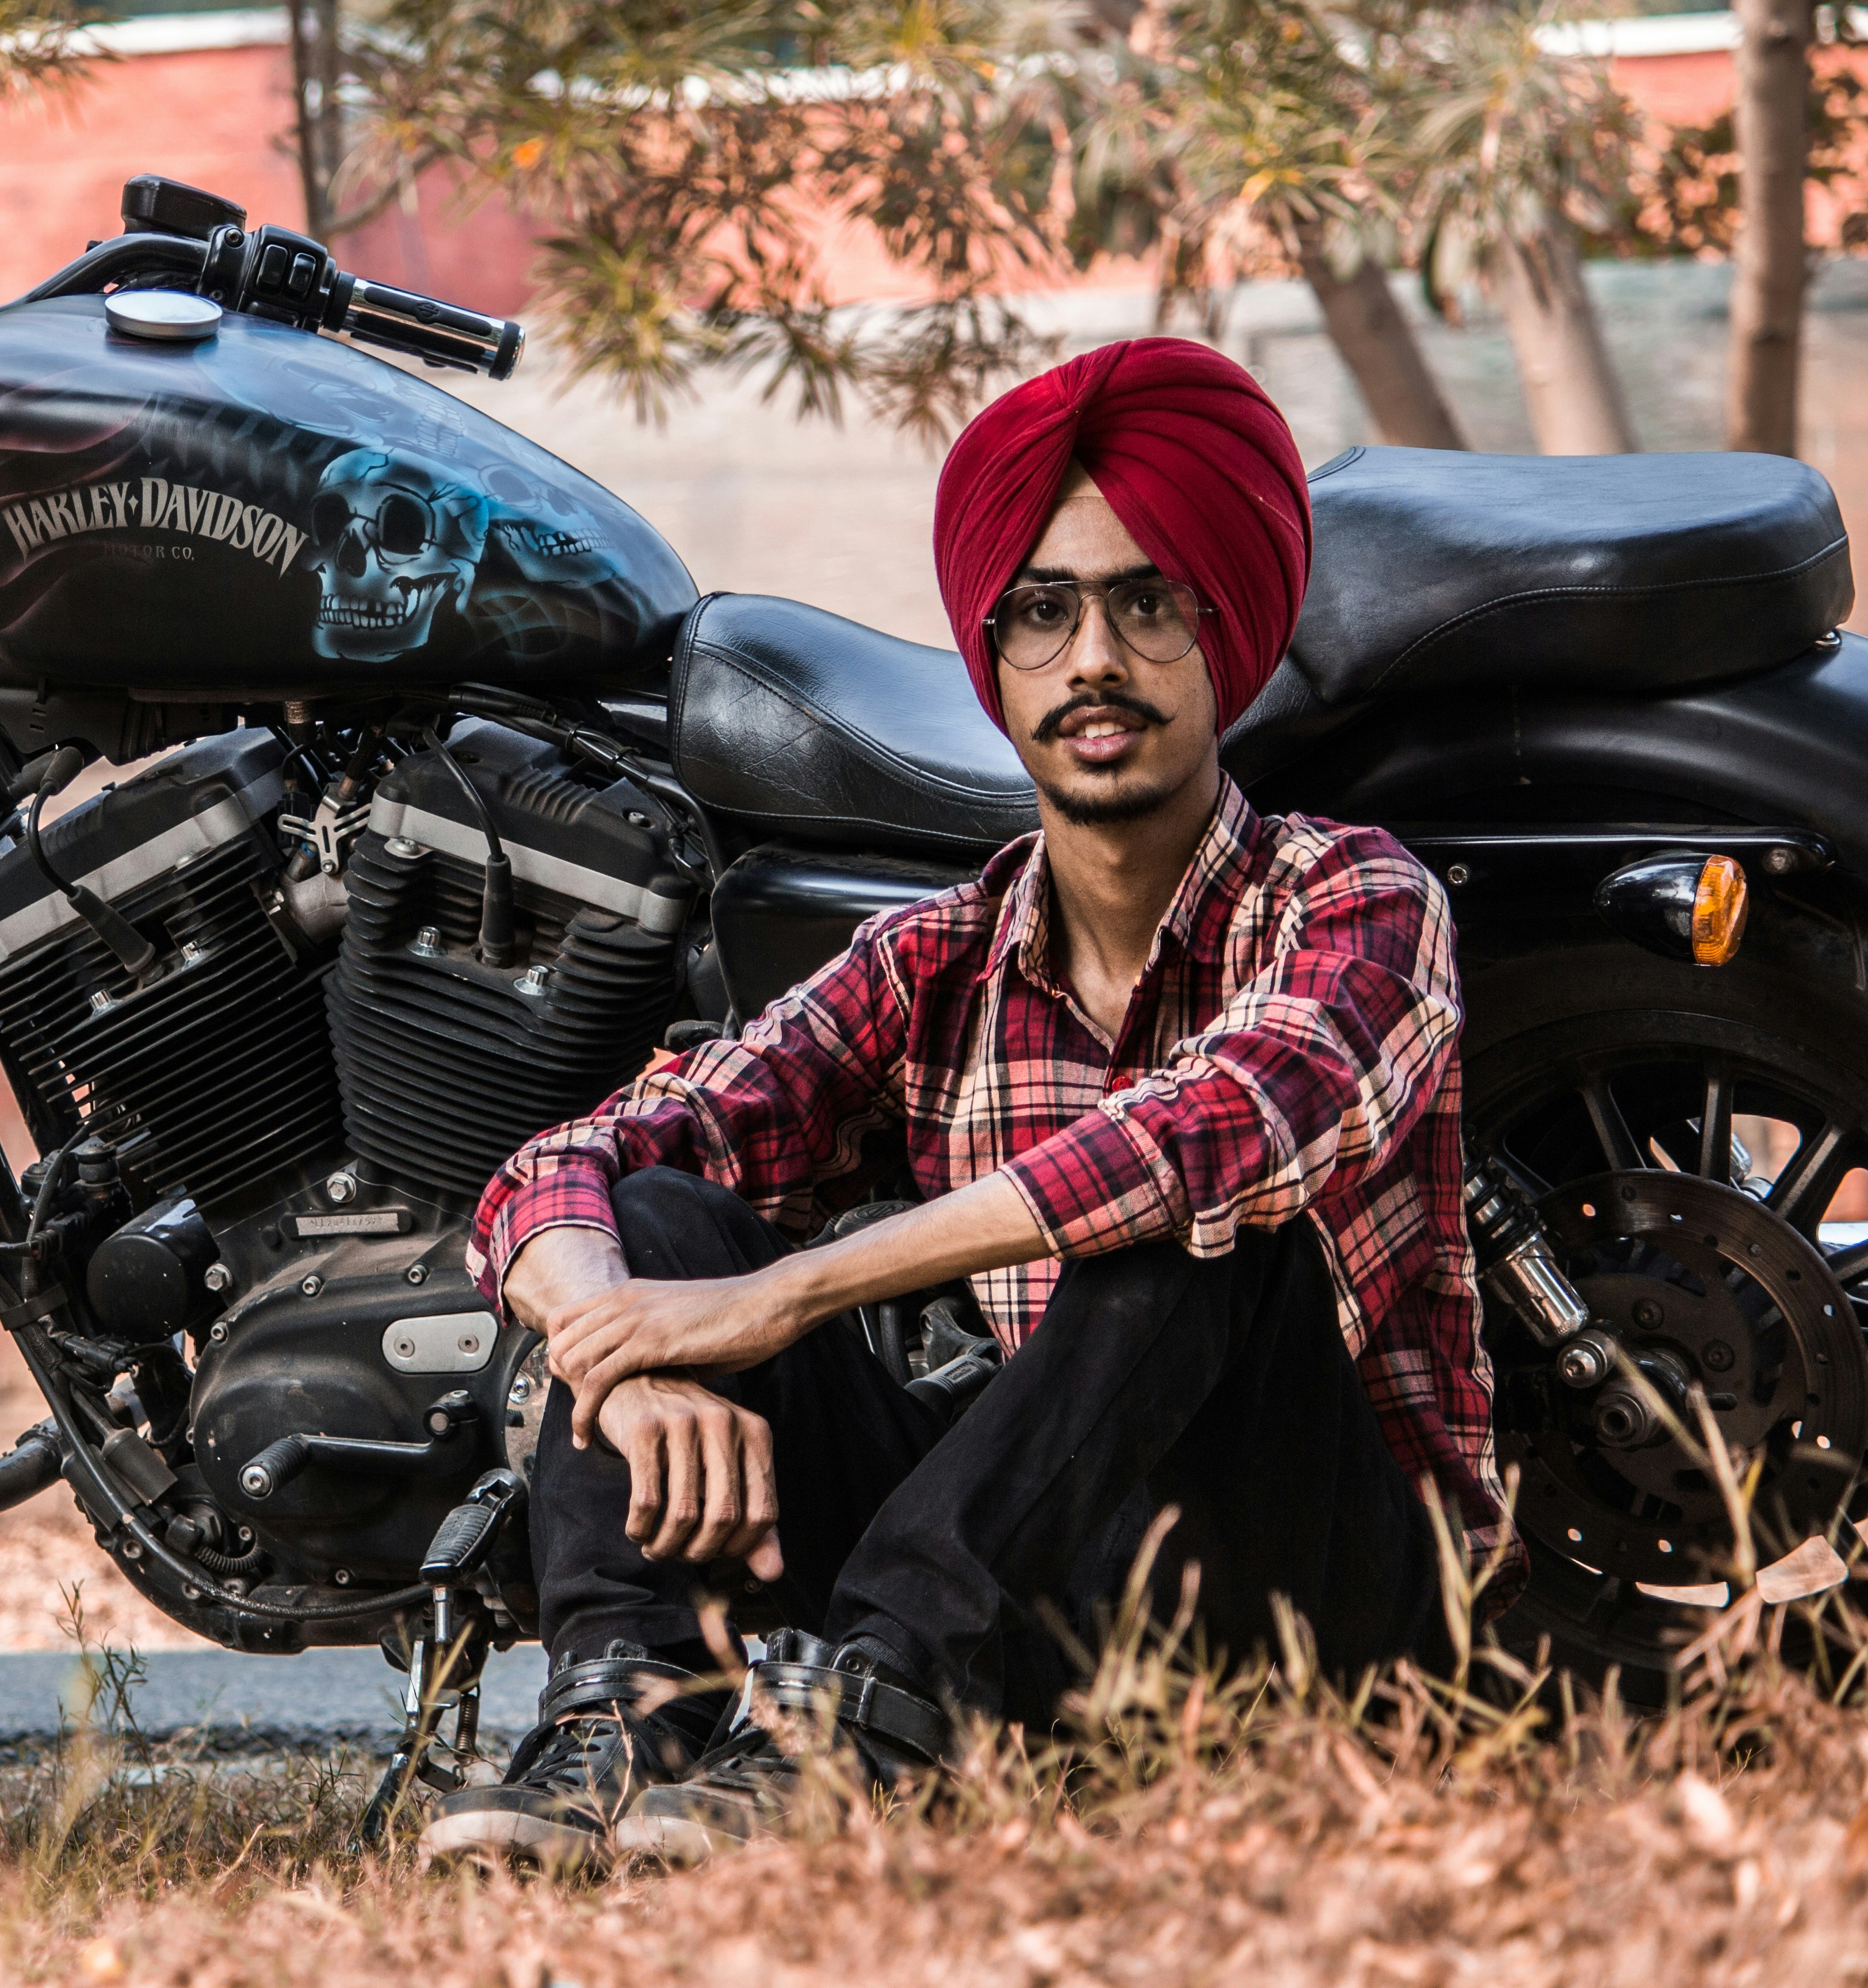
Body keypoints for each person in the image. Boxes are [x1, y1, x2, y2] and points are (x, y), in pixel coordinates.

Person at [419, 338, 1509, 1872]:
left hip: (1318, 1601)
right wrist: (627, 1343)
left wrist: (781, 1302)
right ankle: (630, 1708)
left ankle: (861, 1717)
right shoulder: (934, 955)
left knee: (1184, 1225)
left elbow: (1219, 1136)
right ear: (992, 658)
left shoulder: (1353, 894)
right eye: (1043, 614)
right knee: (660, 1221)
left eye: (1151, 603)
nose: (1094, 662)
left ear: (1227, 631)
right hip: (1045, 1589)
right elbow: (575, 1165)